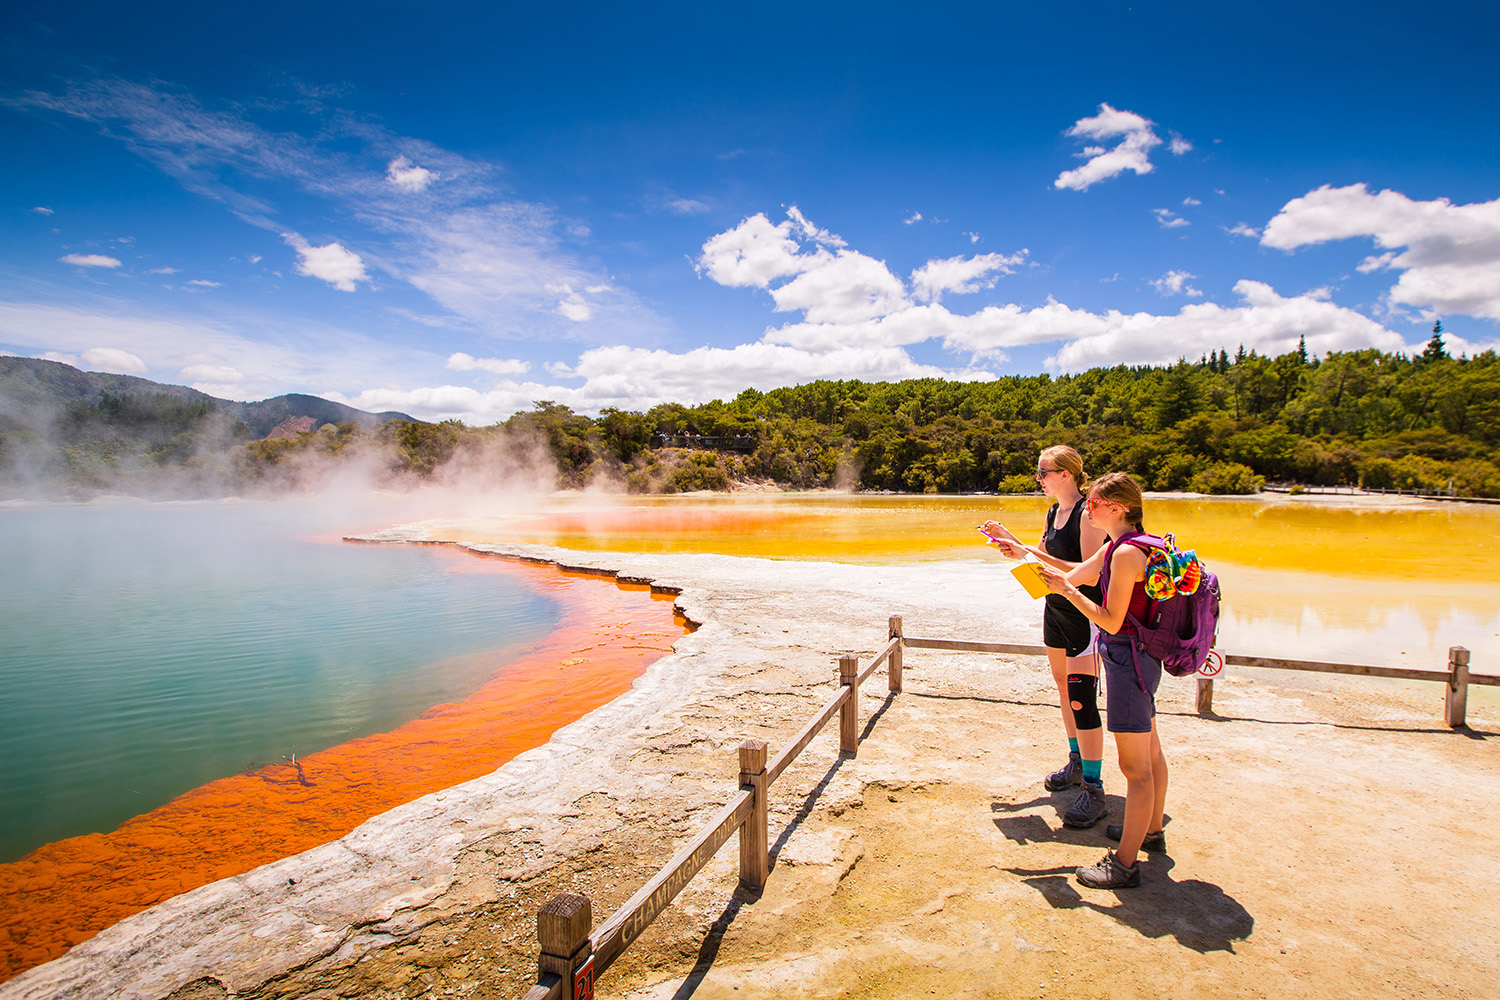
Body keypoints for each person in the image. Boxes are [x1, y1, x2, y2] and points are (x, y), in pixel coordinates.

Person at [1035, 472, 1169, 889]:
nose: (1087, 508)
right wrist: (1022, 554)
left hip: (1129, 662)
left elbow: (1109, 619)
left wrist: (1068, 593)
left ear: (1119, 508)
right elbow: (1076, 575)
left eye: (1094, 503)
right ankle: (1150, 831)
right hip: (1143, 661)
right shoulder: (1127, 545)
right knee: (1150, 750)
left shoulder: (1127, 554)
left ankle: (1124, 864)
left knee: (1134, 768)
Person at [983, 445, 1109, 829]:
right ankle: (1076, 761)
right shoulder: (1055, 511)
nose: (1038, 479)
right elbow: (1042, 557)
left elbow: (1088, 572)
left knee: (1081, 696)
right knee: (1062, 687)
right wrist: (1014, 547)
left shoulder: (1088, 515)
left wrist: (1025, 549)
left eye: (1044, 472)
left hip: (1083, 614)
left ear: (1067, 474)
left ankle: (1094, 787)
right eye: (1039, 472)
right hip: (1054, 609)